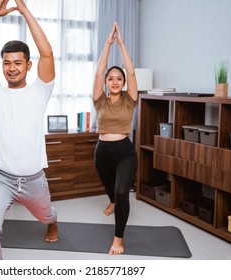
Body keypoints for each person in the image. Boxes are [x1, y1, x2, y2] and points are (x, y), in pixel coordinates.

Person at [0, 0, 58, 260]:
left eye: (18, 63)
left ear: (28, 65)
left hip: (34, 181)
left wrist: (25, 11)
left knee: (46, 215)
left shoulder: (40, 91)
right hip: (0, 179)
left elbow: (48, 54)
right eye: (7, 63)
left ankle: (53, 221)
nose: (12, 68)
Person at [92, 23, 138, 255]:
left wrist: (121, 45)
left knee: (122, 193)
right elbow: (98, 72)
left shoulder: (130, 99)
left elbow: (131, 72)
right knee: (111, 188)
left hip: (124, 152)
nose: (115, 81)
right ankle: (111, 201)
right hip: (102, 152)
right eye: (111, 78)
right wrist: (107, 44)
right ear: (107, 83)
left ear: (123, 83)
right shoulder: (99, 99)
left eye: (118, 78)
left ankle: (118, 238)